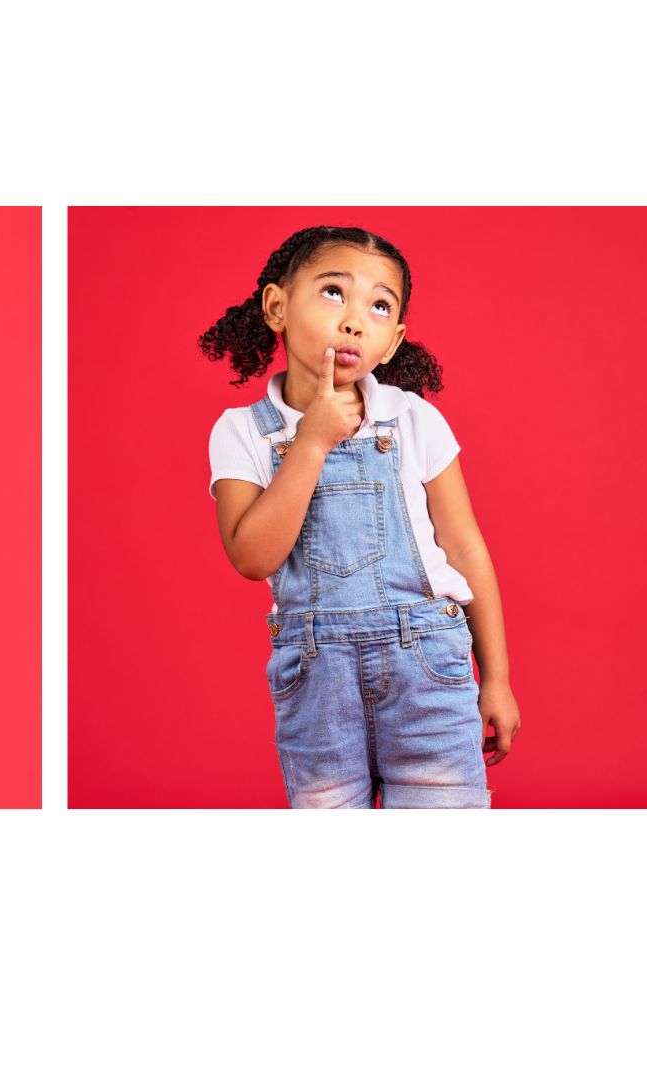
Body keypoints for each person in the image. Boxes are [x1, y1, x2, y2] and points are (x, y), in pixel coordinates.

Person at [206, 225, 521, 808]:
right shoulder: (243, 431)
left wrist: (496, 678)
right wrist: (312, 440)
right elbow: (252, 556)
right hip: (317, 683)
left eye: (380, 306)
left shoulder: (413, 419)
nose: (355, 320)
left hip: (428, 669)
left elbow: (465, 549)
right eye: (333, 292)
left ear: (393, 341)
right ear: (277, 306)